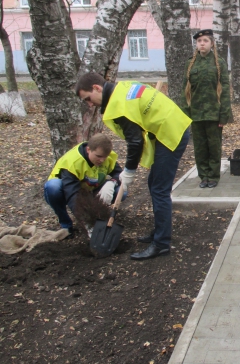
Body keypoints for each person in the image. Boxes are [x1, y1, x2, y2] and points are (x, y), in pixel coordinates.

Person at [75, 74, 191, 260]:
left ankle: (161, 244)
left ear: (97, 88)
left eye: (88, 99)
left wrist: (128, 171)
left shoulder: (118, 105)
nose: (89, 104)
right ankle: (159, 231)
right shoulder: (122, 88)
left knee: (160, 189)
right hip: (169, 124)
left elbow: (135, 142)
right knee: (154, 183)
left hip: (170, 131)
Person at [45, 134, 123, 238]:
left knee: (121, 191)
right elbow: (72, 195)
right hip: (68, 191)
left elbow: (120, 174)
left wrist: (111, 182)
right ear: (88, 150)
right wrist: (86, 222)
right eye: (99, 156)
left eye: (105, 157)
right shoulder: (73, 162)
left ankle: (101, 218)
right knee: (52, 187)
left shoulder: (106, 155)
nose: (102, 160)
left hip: (92, 189)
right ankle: (66, 225)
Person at [183, 29, 232, 189]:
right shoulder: (191, 63)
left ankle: (213, 176)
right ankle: (203, 175)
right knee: (199, 147)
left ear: (212, 43)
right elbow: (185, 90)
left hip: (214, 113)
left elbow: (224, 89)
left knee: (214, 146)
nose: (202, 43)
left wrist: (224, 114)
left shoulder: (219, 63)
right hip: (196, 113)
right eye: (199, 41)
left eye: (205, 40)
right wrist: (185, 113)